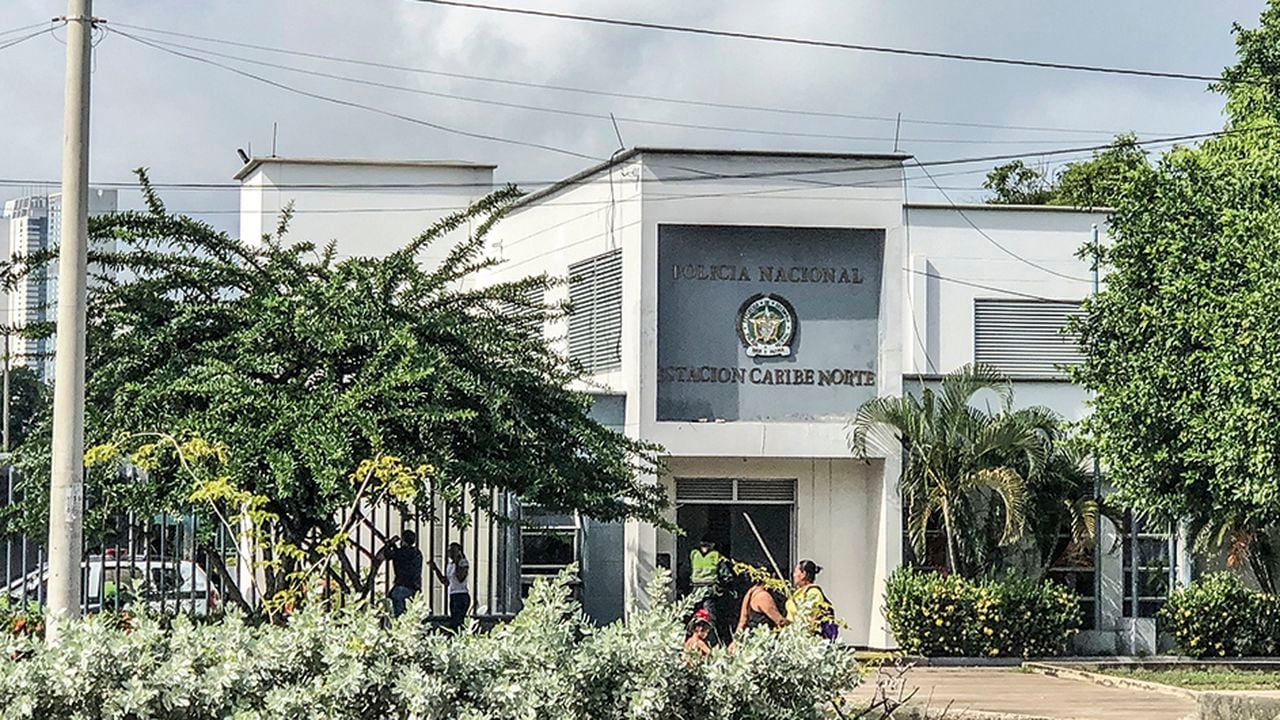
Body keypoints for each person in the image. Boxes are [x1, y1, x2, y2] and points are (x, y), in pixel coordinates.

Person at [786, 559, 837, 640]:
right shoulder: (798, 592)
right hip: (794, 635)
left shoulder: (813, 593)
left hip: (806, 637)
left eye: (796, 572)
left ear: (803, 574)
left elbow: (809, 616)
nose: (793, 575)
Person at [377, 530, 423, 618]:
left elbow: (384, 555)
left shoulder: (399, 552)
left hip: (401, 587)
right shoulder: (417, 553)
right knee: (410, 615)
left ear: (403, 540)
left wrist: (390, 543)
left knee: (398, 616)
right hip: (414, 587)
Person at [688, 538, 724, 642]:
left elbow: (687, 570)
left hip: (695, 590)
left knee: (694, 618)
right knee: (709, 619)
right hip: (709, 590)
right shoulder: (716, 555)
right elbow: (725, 574)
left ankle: (693, 641)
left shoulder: (694, 554)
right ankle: (709, 642)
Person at [430, 542, 470, 631]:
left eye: (452, 551)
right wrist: (436, 569)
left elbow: (460, 578)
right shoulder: (450, 565)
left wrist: (457, 561)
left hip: (461, 594)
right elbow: (445, 581)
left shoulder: (463, 563)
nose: (450, 553)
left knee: (458, 621)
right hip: (453, 594)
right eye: (449, 551)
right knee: (454, 619)